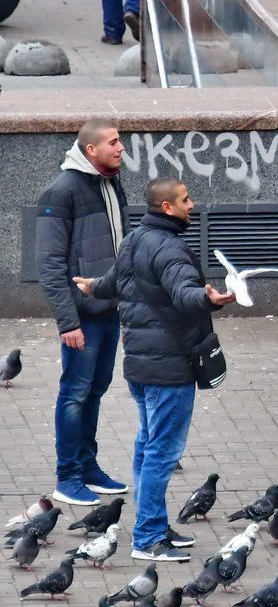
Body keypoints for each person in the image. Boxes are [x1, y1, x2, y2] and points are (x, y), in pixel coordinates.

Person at [74, 178, 236, 562]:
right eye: (185, 200)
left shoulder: (134, 240)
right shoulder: (171, 248)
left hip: (140, 367)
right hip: (170, 370)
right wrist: (209, 298)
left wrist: (91, 287)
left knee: (148, 445)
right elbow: (183, 294)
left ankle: (155, 523)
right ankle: (147, 538)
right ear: (167, 208)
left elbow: (114, 282)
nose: (191, 205)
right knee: (162, 452)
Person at [36, 120, 130, 507]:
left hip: (110, 308)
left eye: (120, 140)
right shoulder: (62, 191)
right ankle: (68, 477)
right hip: (82, 316)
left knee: (95, 389)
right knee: (74, 392)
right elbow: (49, 263)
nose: (121, 147)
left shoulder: (109, 182)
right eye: (113, 142)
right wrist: (67, 321)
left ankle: (88, 467)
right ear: (91, 150)